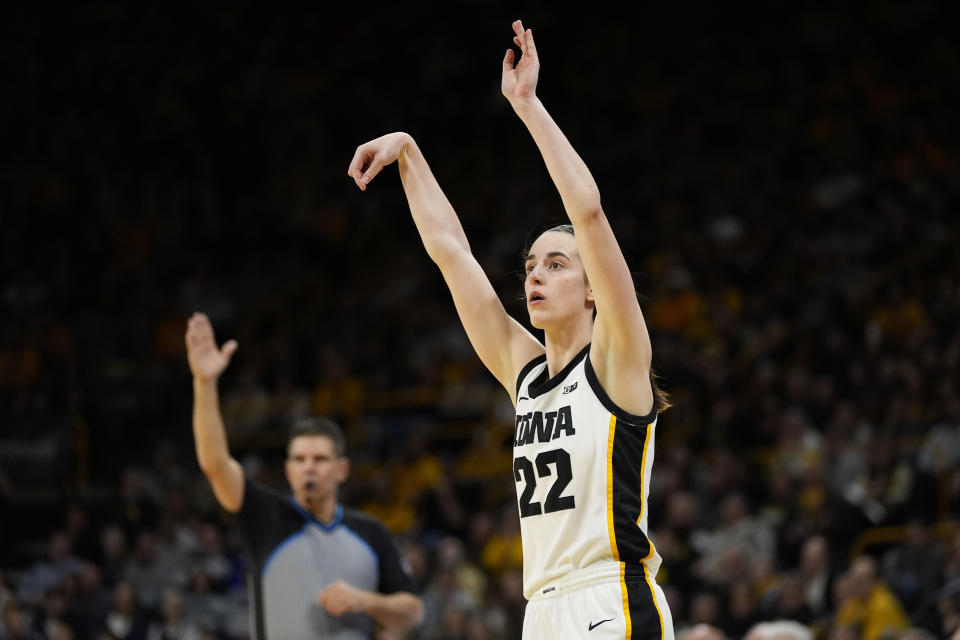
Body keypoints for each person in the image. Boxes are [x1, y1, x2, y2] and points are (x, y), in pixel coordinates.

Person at [348, 19, 674, 640]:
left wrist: (527, 106)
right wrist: (409, 153)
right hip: (541, 611)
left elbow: (589, 210)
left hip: (610, 597)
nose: (536, 275)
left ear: (591, 291)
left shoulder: (618, 358)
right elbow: (452, 255)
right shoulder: (524, 375)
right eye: (530, 266)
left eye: (557, 264)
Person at [184, 312, 423, 639]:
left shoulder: (371, 532)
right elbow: (215, 463)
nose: (308, 466)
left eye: (319, 458)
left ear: (342, 469)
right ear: (287, 469)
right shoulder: (265, 516)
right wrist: (204, 383)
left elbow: (413, 612)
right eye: (299, 459)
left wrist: (364, 601)